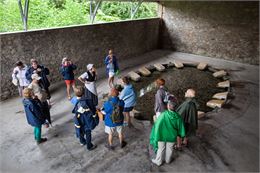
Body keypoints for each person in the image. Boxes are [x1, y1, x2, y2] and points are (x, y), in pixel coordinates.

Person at [150, 99, 185, 166]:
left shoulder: (163, 115)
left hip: (161, 136)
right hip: (172, 136)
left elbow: (157, 125)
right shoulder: (178, 117)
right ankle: (168, 160)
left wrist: (156, 133)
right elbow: (181, 129)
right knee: (170, 148)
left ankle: (158, 161)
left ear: (168, 106)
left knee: (161, 149)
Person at [72, 86, 99, 150]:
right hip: (86, 118)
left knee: (80, 129)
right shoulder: (88, 100)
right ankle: (89, 146)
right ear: (84, 92)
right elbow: (93, 110)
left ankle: (82, 141)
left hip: (78, 118)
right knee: (88, 131)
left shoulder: (74, 100)